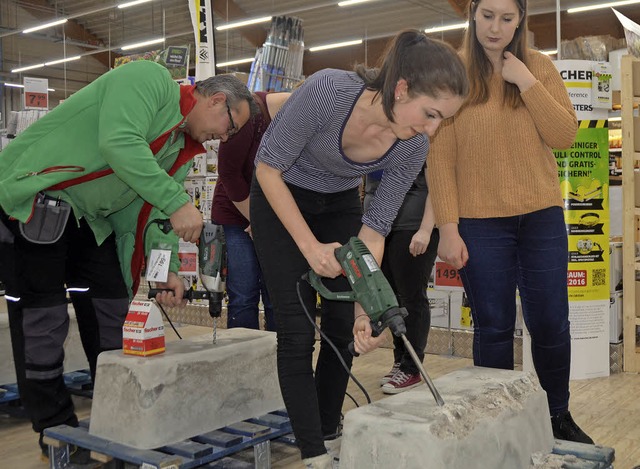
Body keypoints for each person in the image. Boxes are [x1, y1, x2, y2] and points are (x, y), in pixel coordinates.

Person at [0, 59, 255, 457]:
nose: (225, 137)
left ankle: (116, 417)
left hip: (92, 220)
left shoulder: (178, 149)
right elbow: (119, 141)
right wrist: (176, 202)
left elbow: (153, 214)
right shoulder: (148, 80)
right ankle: (54, 429)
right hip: (36, 197)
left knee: (110, 312)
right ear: (216, 99)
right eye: (230, 126)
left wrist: (165, 270)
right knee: (43, 319)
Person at [250, 29, 468, 469]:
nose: (432, 128)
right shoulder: (329, 90)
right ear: (401, 88)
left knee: (340, 325)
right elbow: (267, 168)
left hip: (339, 204)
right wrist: (309, 248)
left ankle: (327, 429)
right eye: (430, 113)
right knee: (295, 331)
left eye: (442, 119)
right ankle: (312, 454)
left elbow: (373, 231)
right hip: (281, 197)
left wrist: (364, 308)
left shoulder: (413, 144)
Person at [428, 0, 593, 444]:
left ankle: (556, 415)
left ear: (521, 18)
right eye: (487, 16)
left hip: (540, 216)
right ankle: (496, 425)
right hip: (480, 223)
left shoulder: (538, 66)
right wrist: (447, 226)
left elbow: (564, 136)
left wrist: (526, 83)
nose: (495, 28)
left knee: (551, 322)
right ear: (473, 16)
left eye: (506, 18)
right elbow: (440, 156)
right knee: (494, 326)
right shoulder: (453, 71)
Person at [212, 91, 290, 331]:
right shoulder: (247, 114)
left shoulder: (299, 123)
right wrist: (257, 218)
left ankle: (278, 359)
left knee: (277, 294)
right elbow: (229, 175)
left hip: (272, 216)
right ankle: (242, 362)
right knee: (244, 295)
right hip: (236, 214)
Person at [364, 167, 439, 394]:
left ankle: (412, 367)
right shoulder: (375, 138)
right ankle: (400, 361)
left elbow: (438, 185)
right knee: (391, 298)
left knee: (411, 298)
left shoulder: (422, 136)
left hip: (412, 225)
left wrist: (425, 229)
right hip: (377, 226)